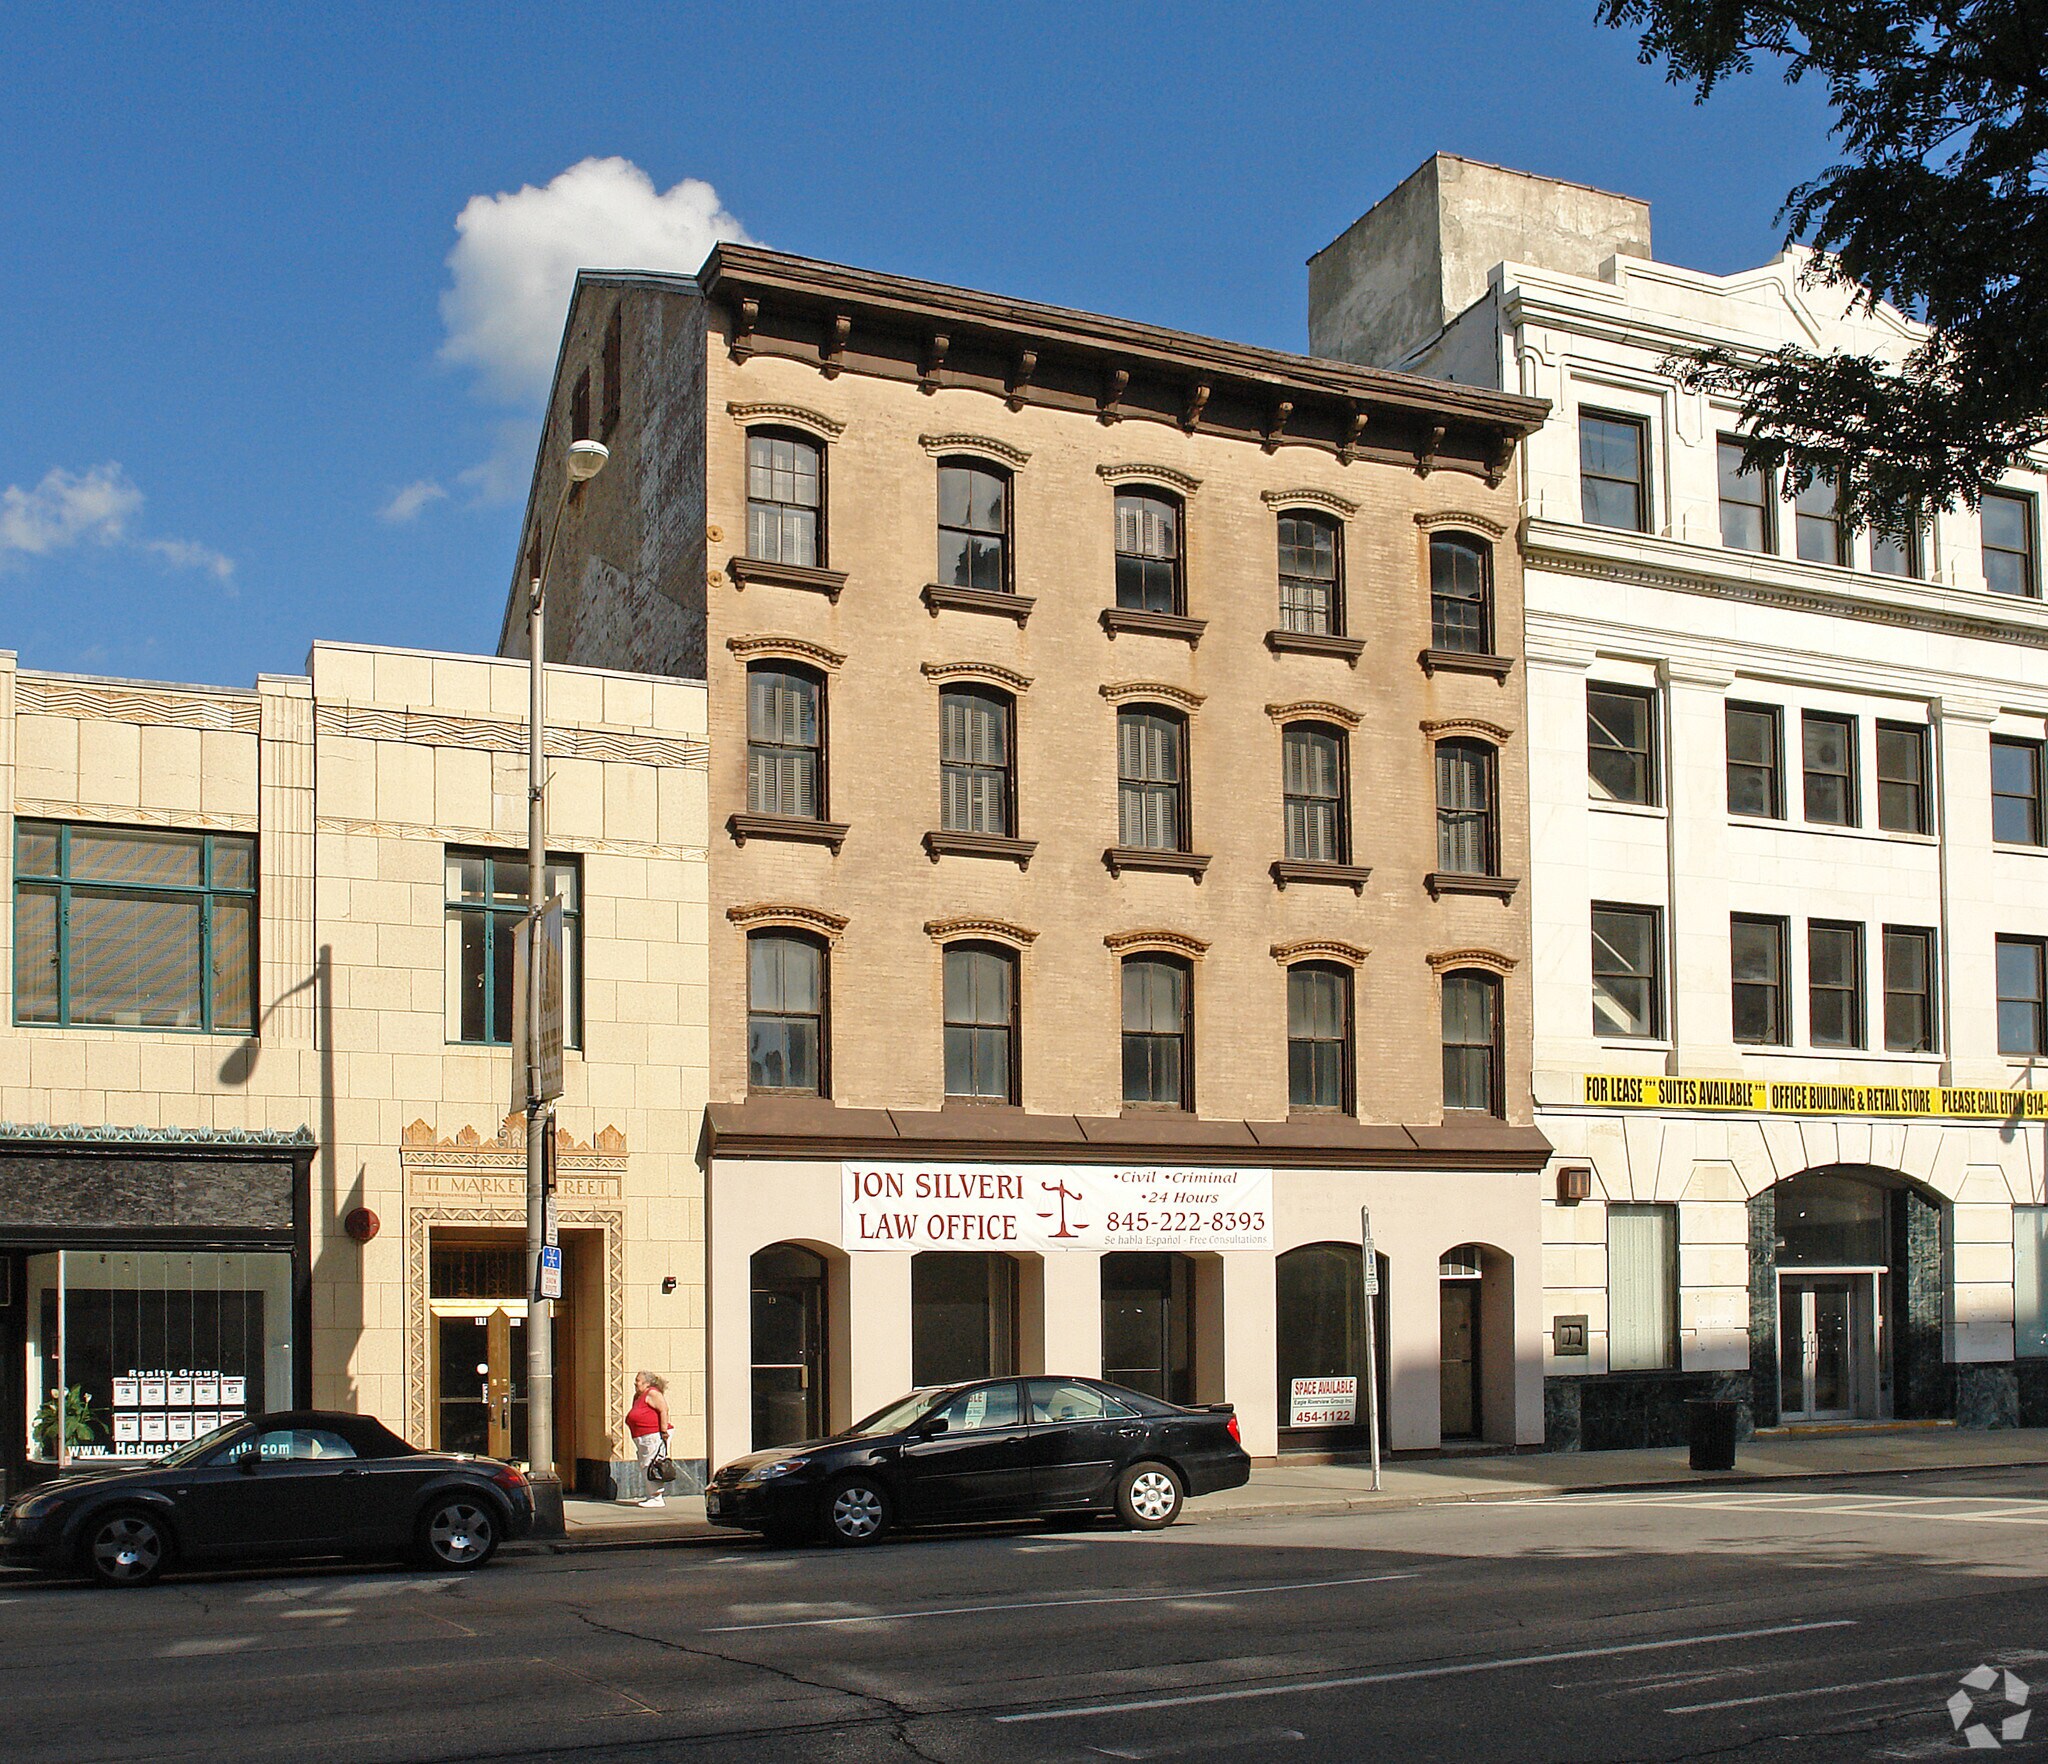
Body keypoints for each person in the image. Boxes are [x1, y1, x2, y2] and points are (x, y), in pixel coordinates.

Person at [624, 1371, 670, 1507]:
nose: (635, 1383)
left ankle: (656, 1498)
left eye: (638, 1380)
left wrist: (663, 1431)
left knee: (650, 1465)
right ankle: (651, 1495)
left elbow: (664, 1410)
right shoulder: (639, 1396)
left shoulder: (653, 1393)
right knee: (645, 1465)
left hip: (653, 1435)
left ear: (647, 1383)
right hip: (642, 1437)